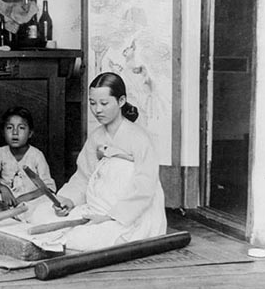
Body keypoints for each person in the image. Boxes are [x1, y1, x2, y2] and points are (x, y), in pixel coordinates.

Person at [24, 72, 166, 251]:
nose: (97, 109)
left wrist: (110, 217)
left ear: (121, 101)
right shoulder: (97, 136)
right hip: (96, 207)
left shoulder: (139, 138)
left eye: (104, 103)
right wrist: (68, 200)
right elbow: (83, 176)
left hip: (128, 213)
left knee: (82, 238)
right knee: (41, 214)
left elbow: (144, 187)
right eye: (92, 103)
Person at [0, 106, 56, 214]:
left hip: (29, 201)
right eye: (9, 128)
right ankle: (3, 213)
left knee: (47, 200)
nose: (15, 132)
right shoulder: (1, 152)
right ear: (3, 132)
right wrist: (3, 188)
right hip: (5, 199)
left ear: (30, 133)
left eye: (21, 128)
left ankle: (16, 215)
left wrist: (25, 197)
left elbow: (49, 187)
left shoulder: (36, 155)